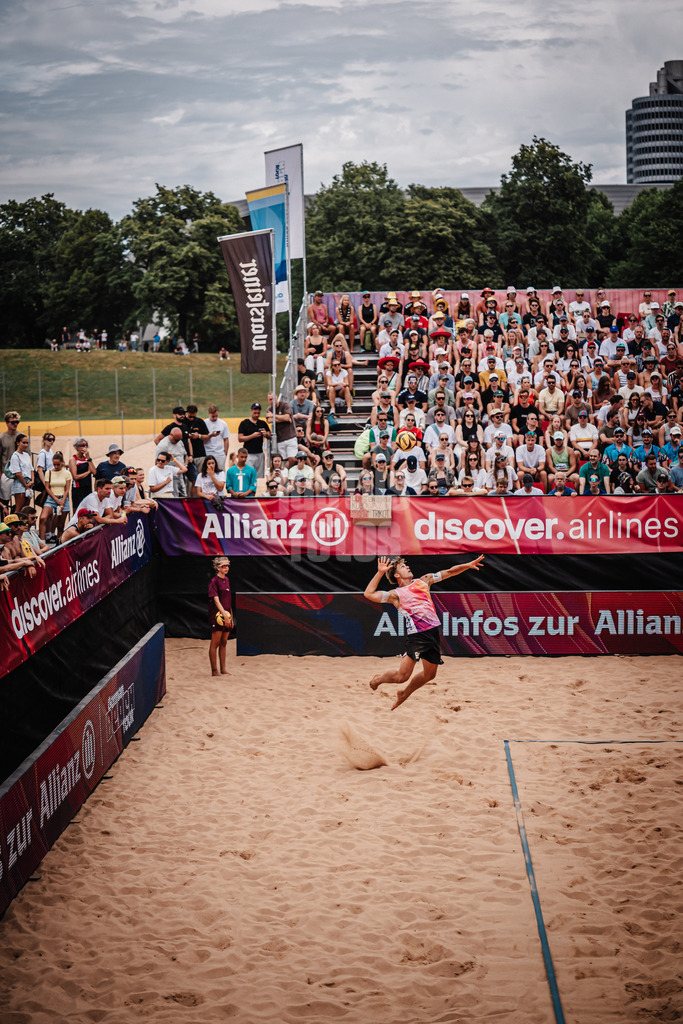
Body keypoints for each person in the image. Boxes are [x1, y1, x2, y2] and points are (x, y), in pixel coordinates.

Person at [364, 554, 485, 711]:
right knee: (402, 676)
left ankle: (404, 694)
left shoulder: (424, 580)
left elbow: (449, 572)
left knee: (430, 675)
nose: (407, 567)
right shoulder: (395, 595)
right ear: (396, 575)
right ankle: (378, 680)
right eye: (402, 567)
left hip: (433, 633)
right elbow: (369, 594)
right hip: (417, 636)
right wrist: (380, 573)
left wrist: (467, 565)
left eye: (406, 565)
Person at [208, 556, 233, 677]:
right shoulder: (214, 582)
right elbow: (216, 601)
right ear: (218, 567)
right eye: (224, 566)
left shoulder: (227, 580)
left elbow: (228, 600)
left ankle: (223, 669)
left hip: (227, 614)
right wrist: (224, 615)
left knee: (224, 642)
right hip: (218, 615)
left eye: (228, 565)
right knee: (215, 643)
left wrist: (231, 617)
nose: (226, 568)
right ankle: (214, 671)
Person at [237, 402, 271, 478]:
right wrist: (252, 436)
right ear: (251, 411)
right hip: (249, 454)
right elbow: (240, 438)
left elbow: (269, 435)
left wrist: (265, 434)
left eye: (258, 413)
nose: (256, 415)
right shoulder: (244, 423)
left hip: (260, 453)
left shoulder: (262, 423)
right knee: (249, 476)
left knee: (259, 477)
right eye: (255, 413)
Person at [8, 433, 34, 513]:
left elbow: (31, 469)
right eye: (23, 442)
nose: (25, 445)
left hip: (28, 482)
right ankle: (16, 524)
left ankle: (24, 525)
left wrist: (32, 481)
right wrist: (25, 485)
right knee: (19, 509)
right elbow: (17, 473)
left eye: (27, 443)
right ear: (18, 443)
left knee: (26, 509)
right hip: (20, 483)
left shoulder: (26, 455)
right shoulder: (15, 456)